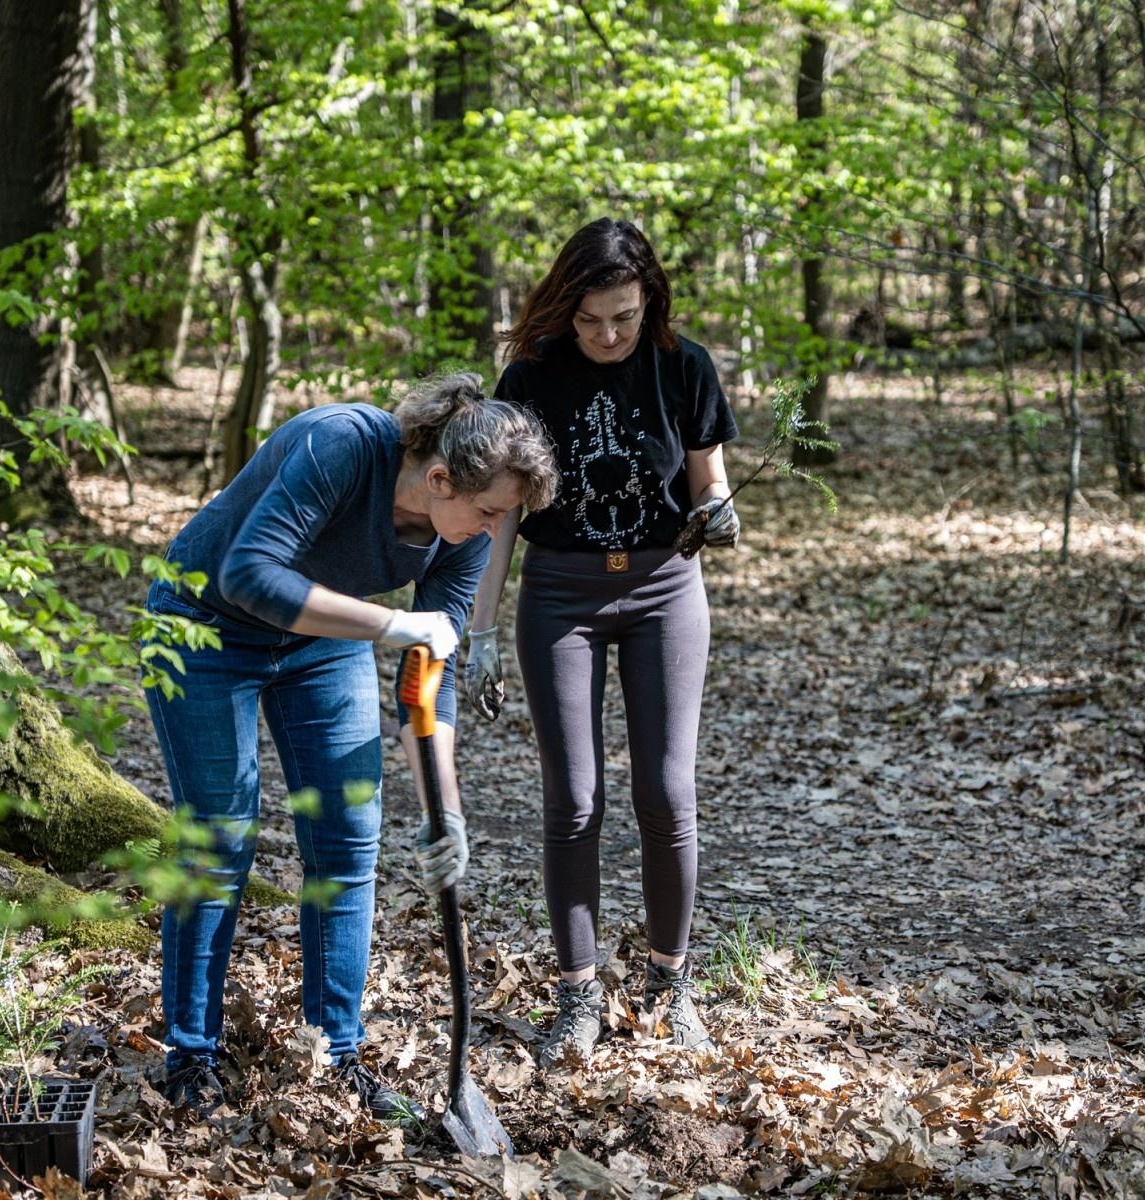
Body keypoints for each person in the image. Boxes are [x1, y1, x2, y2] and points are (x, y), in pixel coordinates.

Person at [142, 373, 557, 1118]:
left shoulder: (463, 536)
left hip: (318, 642)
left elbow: (431, 676)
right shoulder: (338, 443)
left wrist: (446, 814)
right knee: (219, 838)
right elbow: (248, 575)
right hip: (202, 626)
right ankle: (190, 1056)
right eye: (491, 510)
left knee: (348, 838)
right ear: (438, 478)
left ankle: (335, 1053)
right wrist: (393, 625)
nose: (496, 530)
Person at [464, 218, 741, 1067]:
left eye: (623, 315)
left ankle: (670, 983)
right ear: (567, 308)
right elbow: (502, 513)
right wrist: (478, 630)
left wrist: (721, 515)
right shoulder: (533, 374)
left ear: (648, 300)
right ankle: (578, 994)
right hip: (561, 595)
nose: (608, 335)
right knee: (575, 799)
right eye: (591, 319)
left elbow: (711, 484)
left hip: (663, 587)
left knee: (665, 792)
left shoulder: (684, 365)